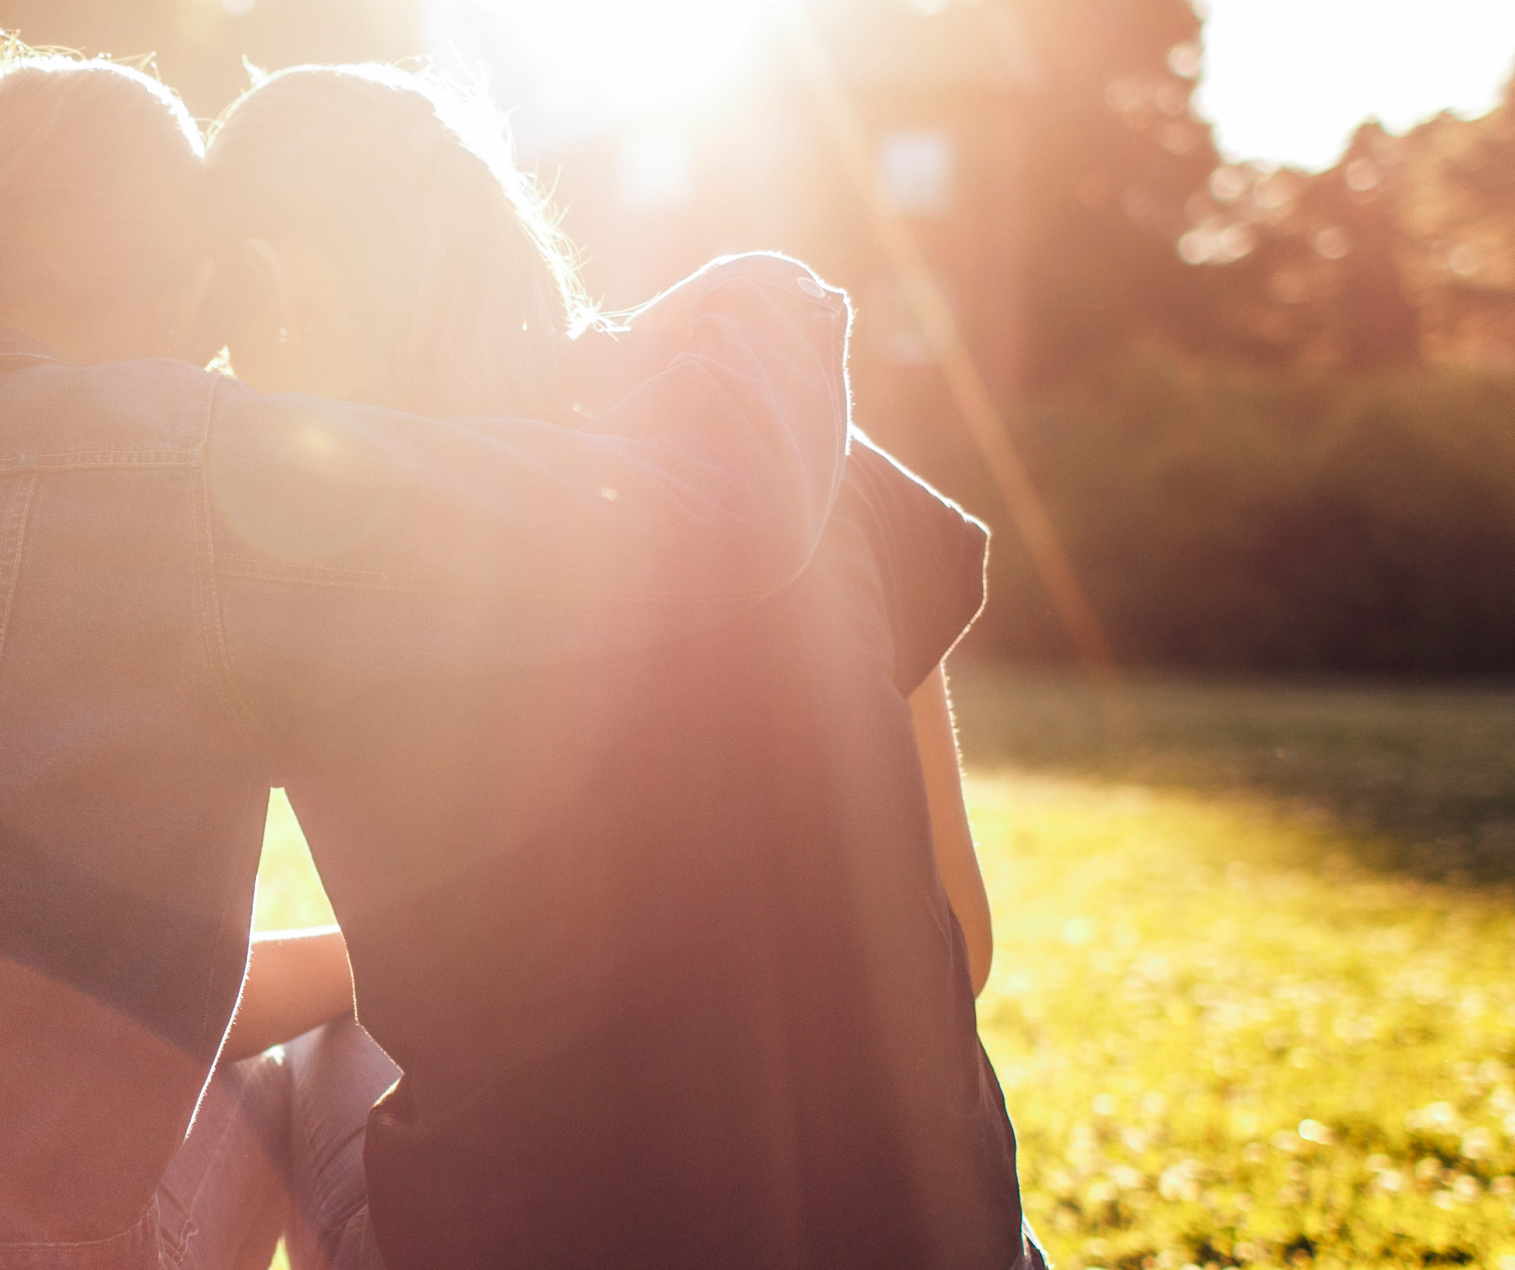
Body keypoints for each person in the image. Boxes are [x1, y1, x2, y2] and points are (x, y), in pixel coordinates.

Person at [0, 39, 859, 1270]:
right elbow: (705, 514)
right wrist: (770, 296)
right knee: (308, 1080)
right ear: (195, 287)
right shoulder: (185, 465)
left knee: (240, 1067)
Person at [200, 63, 1032, 1269]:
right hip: (935, 1240)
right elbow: (959, 932)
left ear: (273, 286)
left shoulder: (317, 549)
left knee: (307, 1059)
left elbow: (165, 1001)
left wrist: (353, 971)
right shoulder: (795, 441)